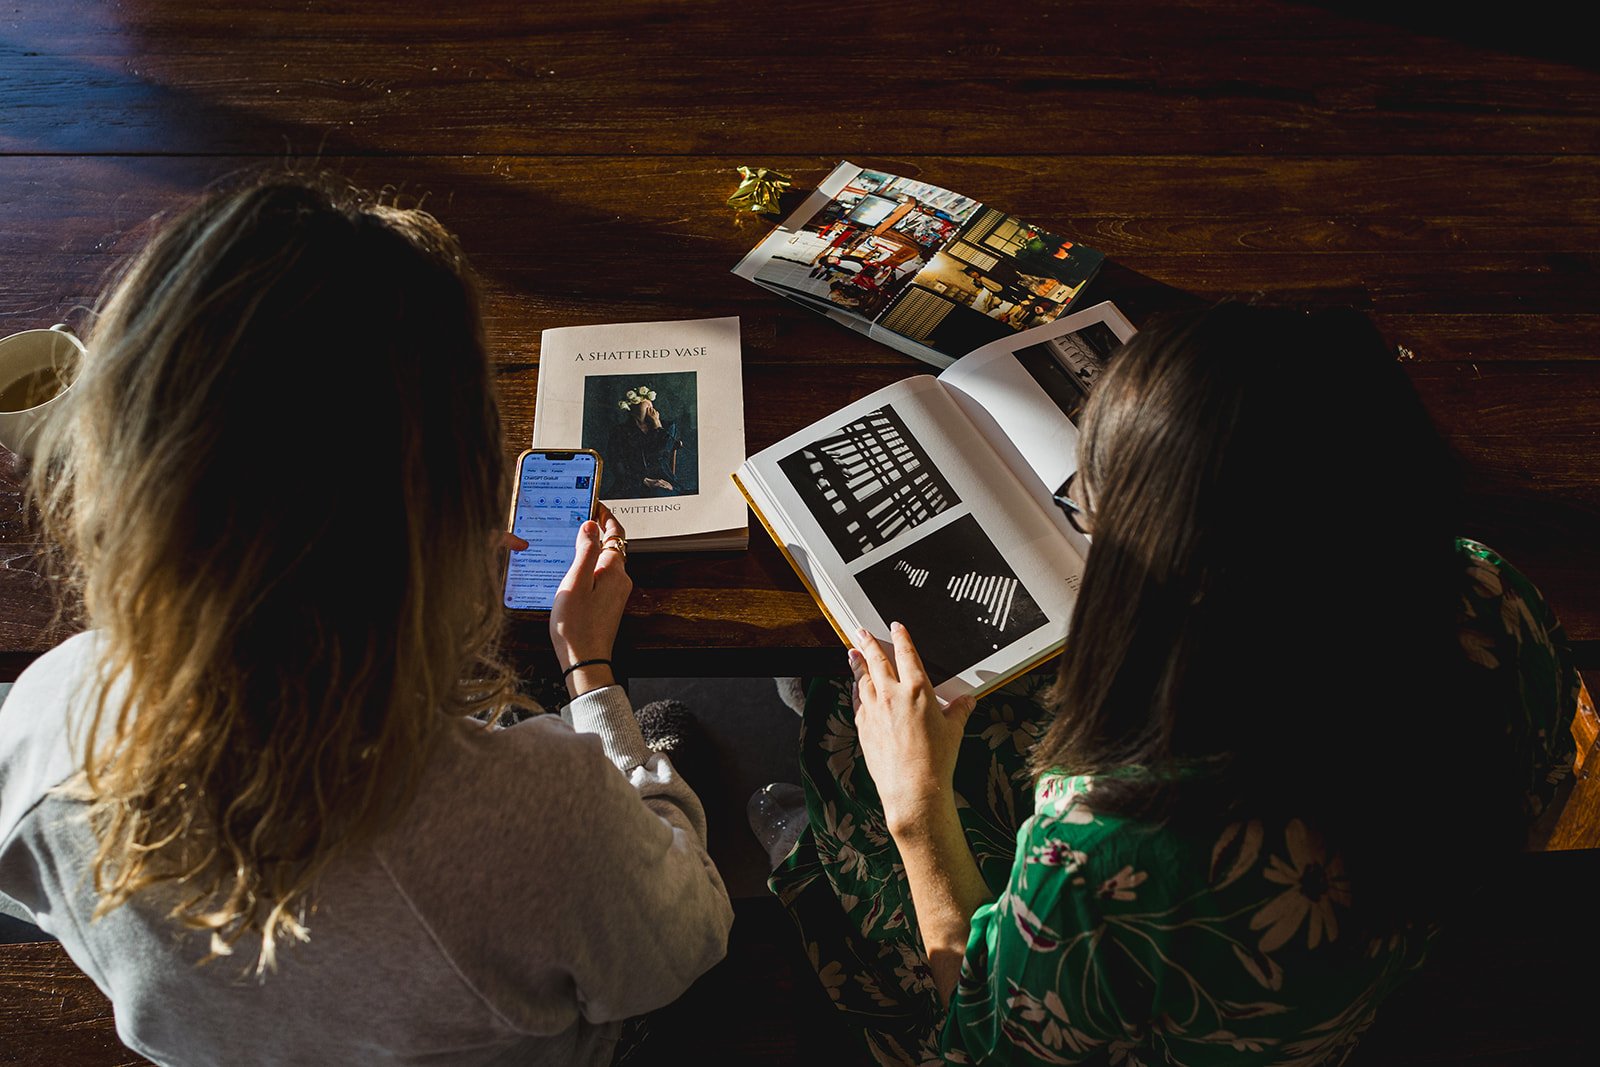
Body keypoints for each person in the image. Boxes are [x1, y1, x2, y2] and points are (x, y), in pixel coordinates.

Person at [0, 174, 732, 1066]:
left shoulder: (46, 723)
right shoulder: (544, 807)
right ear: (447, 527)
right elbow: (690, 938)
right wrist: (589, 672)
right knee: (672, 748)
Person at [763, 302, 1582, 1065]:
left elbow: (986, 1047)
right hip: (1376, 946)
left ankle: (831, 837)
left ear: (1195, 573)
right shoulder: (1489, 595)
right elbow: (1544, 792)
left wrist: (914, 811)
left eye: (1100, 511)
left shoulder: (1103, 842)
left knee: (853, 737)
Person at [604, 389, 684, 496]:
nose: (651, 410)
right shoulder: (620, 431)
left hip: (663, 479)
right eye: (646, 407)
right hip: (632, 482)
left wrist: (657, 424)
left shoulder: (667, 426)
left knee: (660, 494)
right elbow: (617, 463)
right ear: (632, 410)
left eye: (651, 407)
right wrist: (645, 481)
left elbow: (665, 450)